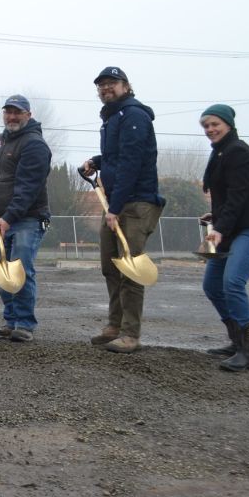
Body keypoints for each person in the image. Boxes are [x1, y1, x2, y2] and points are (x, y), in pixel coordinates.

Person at [80, 66, 165, 354]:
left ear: (126, 86)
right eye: (101, 85)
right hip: (116, 203)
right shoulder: (113, 117)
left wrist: (114, 208)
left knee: (129, 267)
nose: (106, 88)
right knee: (111, 266)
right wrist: (97, 161)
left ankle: (131, 333)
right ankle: (114, 325)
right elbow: (116, 157)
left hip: (135, 203)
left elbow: (131, 161)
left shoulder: (134, 115)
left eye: (112, 83)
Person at [198, 104, 249, 372]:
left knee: (232, 282)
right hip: (229, 228)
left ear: (228, 124)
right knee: (211, 285)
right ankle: (235, 340)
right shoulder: (219, 153)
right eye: (206, 126)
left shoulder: (238, 152)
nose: (210, 129)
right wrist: (215, 216)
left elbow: (240, 195)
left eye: (214, 124)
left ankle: (246, 352)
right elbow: (226, 195)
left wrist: (220, 226)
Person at [0, 95, 52, 343]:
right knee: (2, 268)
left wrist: (9, 218)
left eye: (17, 112)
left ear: (28, 114)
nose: (12, 117)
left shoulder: (34, 145)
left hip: (26, 218)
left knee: (21, 269)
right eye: (8, 112)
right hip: (3, 219)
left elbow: (28, 188)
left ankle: (25, 324)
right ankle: (11, 321)